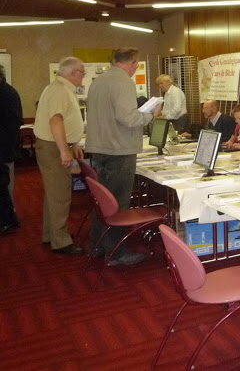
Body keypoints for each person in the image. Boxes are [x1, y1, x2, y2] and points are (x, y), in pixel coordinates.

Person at [85, 48, 154, 266]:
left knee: (104, 201)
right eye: (136, 64)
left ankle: (97, 245)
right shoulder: (123, 82)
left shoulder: (99, 80)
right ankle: (116, 253)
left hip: (101, 147)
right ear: (133, 63)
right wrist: (150, 115)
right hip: (119, 150)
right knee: (117, 204)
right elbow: (128, 118)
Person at [33, 57, 86, 253]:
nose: (83, 76)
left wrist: (72, 144)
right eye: (82, 72)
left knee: (54, 194)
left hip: (54, 146)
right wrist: (64, 150)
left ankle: (52, 234)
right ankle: (61, 242)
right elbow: (55, 121)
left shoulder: (59, 88)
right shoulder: (60, 90)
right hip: (53, 148)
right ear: (73, 73)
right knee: (60, 195)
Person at [0, 65, 23, 236]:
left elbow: (12, 124)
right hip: (4, 147)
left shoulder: (7, 94)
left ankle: (8, 220)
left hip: (4, 149)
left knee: (4, 186)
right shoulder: (6, 91)